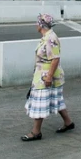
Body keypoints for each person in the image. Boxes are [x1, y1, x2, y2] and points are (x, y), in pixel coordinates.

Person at [21, 13, 74, 141]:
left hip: (46, 78)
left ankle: (36, 132)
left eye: (37, 22)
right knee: (57, 99)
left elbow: (55, 59)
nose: (35, 25)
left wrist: (49, 77)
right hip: (43, 75)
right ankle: (68, 123)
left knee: (40, 103)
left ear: (41, 25)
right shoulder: (46, 36)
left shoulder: (50, 38)